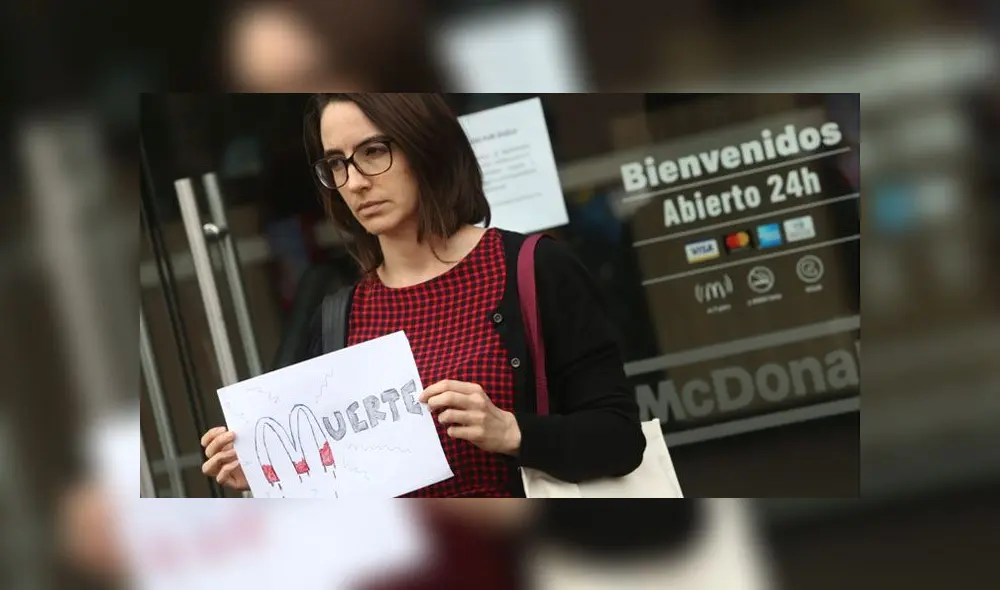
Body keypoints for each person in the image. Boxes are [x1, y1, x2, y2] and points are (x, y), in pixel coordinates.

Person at [201, 93, 645, 497]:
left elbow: (620, 438)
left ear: (426, 147)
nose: (354, 182)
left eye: (374, 151)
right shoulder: (342, 316)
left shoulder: (531, 268)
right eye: (336, 163)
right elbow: (343, 486)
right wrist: (269, 470)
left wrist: (511, 432)